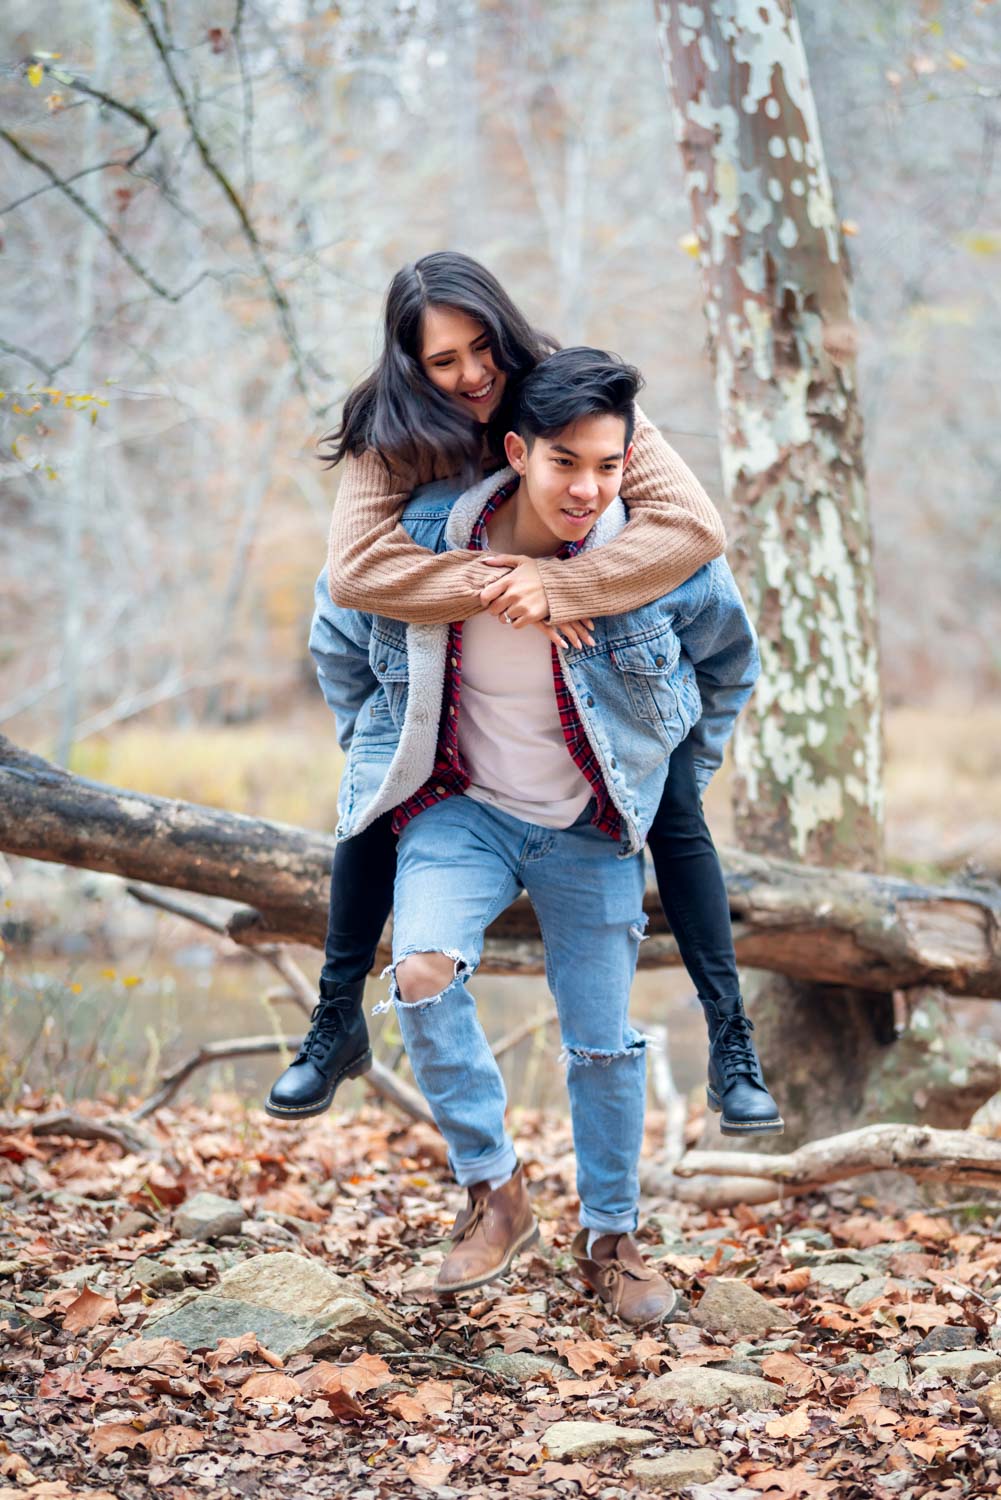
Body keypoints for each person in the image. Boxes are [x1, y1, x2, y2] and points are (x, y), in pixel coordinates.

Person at [266, 251, 780, 1137]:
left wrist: (568, 590)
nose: (469, 375)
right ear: (408, 364)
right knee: (372, 792)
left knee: (679, 819)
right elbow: (351, 575)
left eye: (480, 349)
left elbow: (693, 528)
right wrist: (506, 585)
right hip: (445, 686)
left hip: (614, 705)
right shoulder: (388, 431)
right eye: (442, 360)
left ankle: (732, 1045)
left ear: (503, 331)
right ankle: (334, 1018)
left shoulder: (567, 395)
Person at [302, 348, 760, 1322]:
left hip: (588, 825)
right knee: (420, 970)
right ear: (516, 452)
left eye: (606, 464)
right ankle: (494, 1192)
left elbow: (727, 666)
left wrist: (670, 778)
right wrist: (378, 750)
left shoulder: (649, 560)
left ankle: (612, 1237)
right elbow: (337, 636)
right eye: (563, 463)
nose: (587, 488)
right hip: (460, 812)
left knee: (601, 1045)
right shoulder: (425, 541)